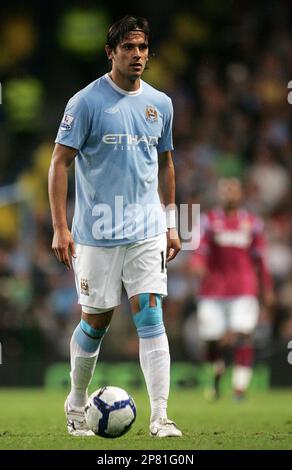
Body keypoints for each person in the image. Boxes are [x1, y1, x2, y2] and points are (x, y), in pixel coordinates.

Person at [48, 15, 182, 437]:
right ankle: (75, 403)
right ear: (111, 52)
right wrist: (59, 226)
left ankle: (160, 416)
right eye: (128, 48)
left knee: (150, 313)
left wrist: (172, 223)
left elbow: (166, 164)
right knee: (96, 321)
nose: (137, 55)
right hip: (96, 234)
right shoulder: (85, 102)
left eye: (142, 48)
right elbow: (59, 163)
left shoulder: (160, 104)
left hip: (145, 230)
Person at [190, 177, 274, 400]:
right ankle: (216, 377)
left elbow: (261, 260)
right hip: (212, 290)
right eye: (225, 190)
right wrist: (197, 265)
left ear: (240, 194)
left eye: (233, 190)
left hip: (244, 288)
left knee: (243, 333)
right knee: (211, 340)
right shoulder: (208, 221)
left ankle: (239, 389)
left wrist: (267, 288)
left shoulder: (252, 223)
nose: (229, 194)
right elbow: (199, 251)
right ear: (220, 194)